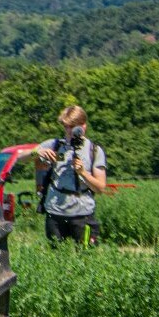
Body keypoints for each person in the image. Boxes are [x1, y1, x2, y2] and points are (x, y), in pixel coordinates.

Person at [35, 104, 108, 243]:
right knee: (56, 257)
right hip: (55, 212)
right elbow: (22, 158)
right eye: (65, 126)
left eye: (72, 126)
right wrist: (36, 152)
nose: (68, 130)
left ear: (83, 126)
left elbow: (100, 188)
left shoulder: (94, 151)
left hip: (83, 213)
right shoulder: (55, 145)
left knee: (85, 257)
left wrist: (83, 173)